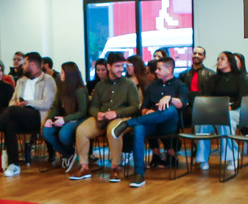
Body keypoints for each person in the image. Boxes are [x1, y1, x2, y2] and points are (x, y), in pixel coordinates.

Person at [110, 57, 188, 188]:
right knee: (139, 128)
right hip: (152, 123)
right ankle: (139, 174)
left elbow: (181, 103)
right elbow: (143, 108)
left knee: (171, 110)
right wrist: (147, 112)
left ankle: (128, 123)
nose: (156, 71)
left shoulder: (180, 85)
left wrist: (169, 98)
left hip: (168, 126)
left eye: (159, 69)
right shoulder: (153, 86)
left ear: (169, 69)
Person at [69, 51, 140, 183]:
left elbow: (135, 106)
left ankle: (115, 168)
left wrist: (116, 113)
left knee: (113, 131)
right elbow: (93, 107)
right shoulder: (100, 85)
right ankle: (84, 167)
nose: (121, 69)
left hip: (121, 118)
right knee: (81, 130)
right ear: (109, 66)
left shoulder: (128, 84)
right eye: (117, 66)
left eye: (122, 66)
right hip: (102, 118)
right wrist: (97, 114)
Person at [208, 51, 248, 170]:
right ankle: (202, 159)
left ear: (230, 62)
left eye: (222, 59)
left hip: (235, 110)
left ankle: (232, 158)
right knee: (203, 122)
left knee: (226, 119)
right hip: (217, 110)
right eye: (218, 59)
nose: (219, 61)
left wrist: (231, 107)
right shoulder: (213, 79)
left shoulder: (240, 78)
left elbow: (242, 98)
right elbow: (209, 97)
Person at [41, 62, 88, 172]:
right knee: (47, 131)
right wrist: (49, 119)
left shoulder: (80, 90)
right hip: (64, 118)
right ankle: (68, 153)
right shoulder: (61, 88)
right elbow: (56, 107)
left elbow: (82, 112)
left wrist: (65, 119)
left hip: (78, 119)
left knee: (64, 133)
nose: (60, 74)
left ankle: (71, 152)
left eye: (62, 72)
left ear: (69, 75)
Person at [179, 45, 216, 169]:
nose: (196, 56)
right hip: (187, 108)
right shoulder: (183, 75)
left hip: (204, 108)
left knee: (201, 122)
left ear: (204, 57)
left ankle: (201, 156)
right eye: (195, 53)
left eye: (200, 54)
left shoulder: (211, 75)